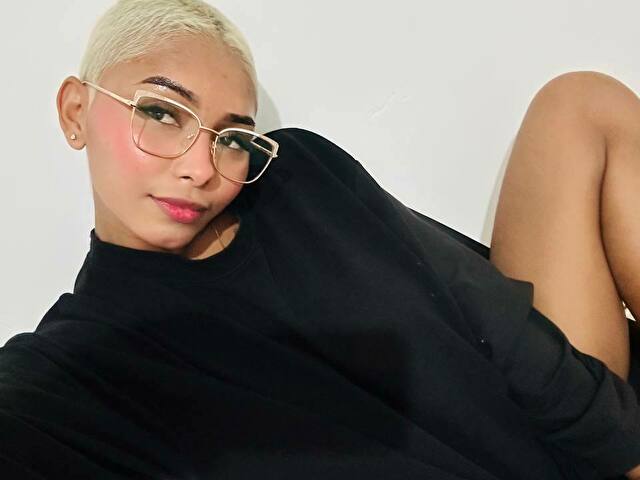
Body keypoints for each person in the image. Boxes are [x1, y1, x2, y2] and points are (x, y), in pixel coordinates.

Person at [1, 0, 640, 478]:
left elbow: (491, 317)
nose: (200, 168)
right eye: (161, 112)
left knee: (579, 103)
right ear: (75, 112)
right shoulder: (68, 372)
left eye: (232, 136)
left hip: (577, 427)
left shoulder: (296, 175)